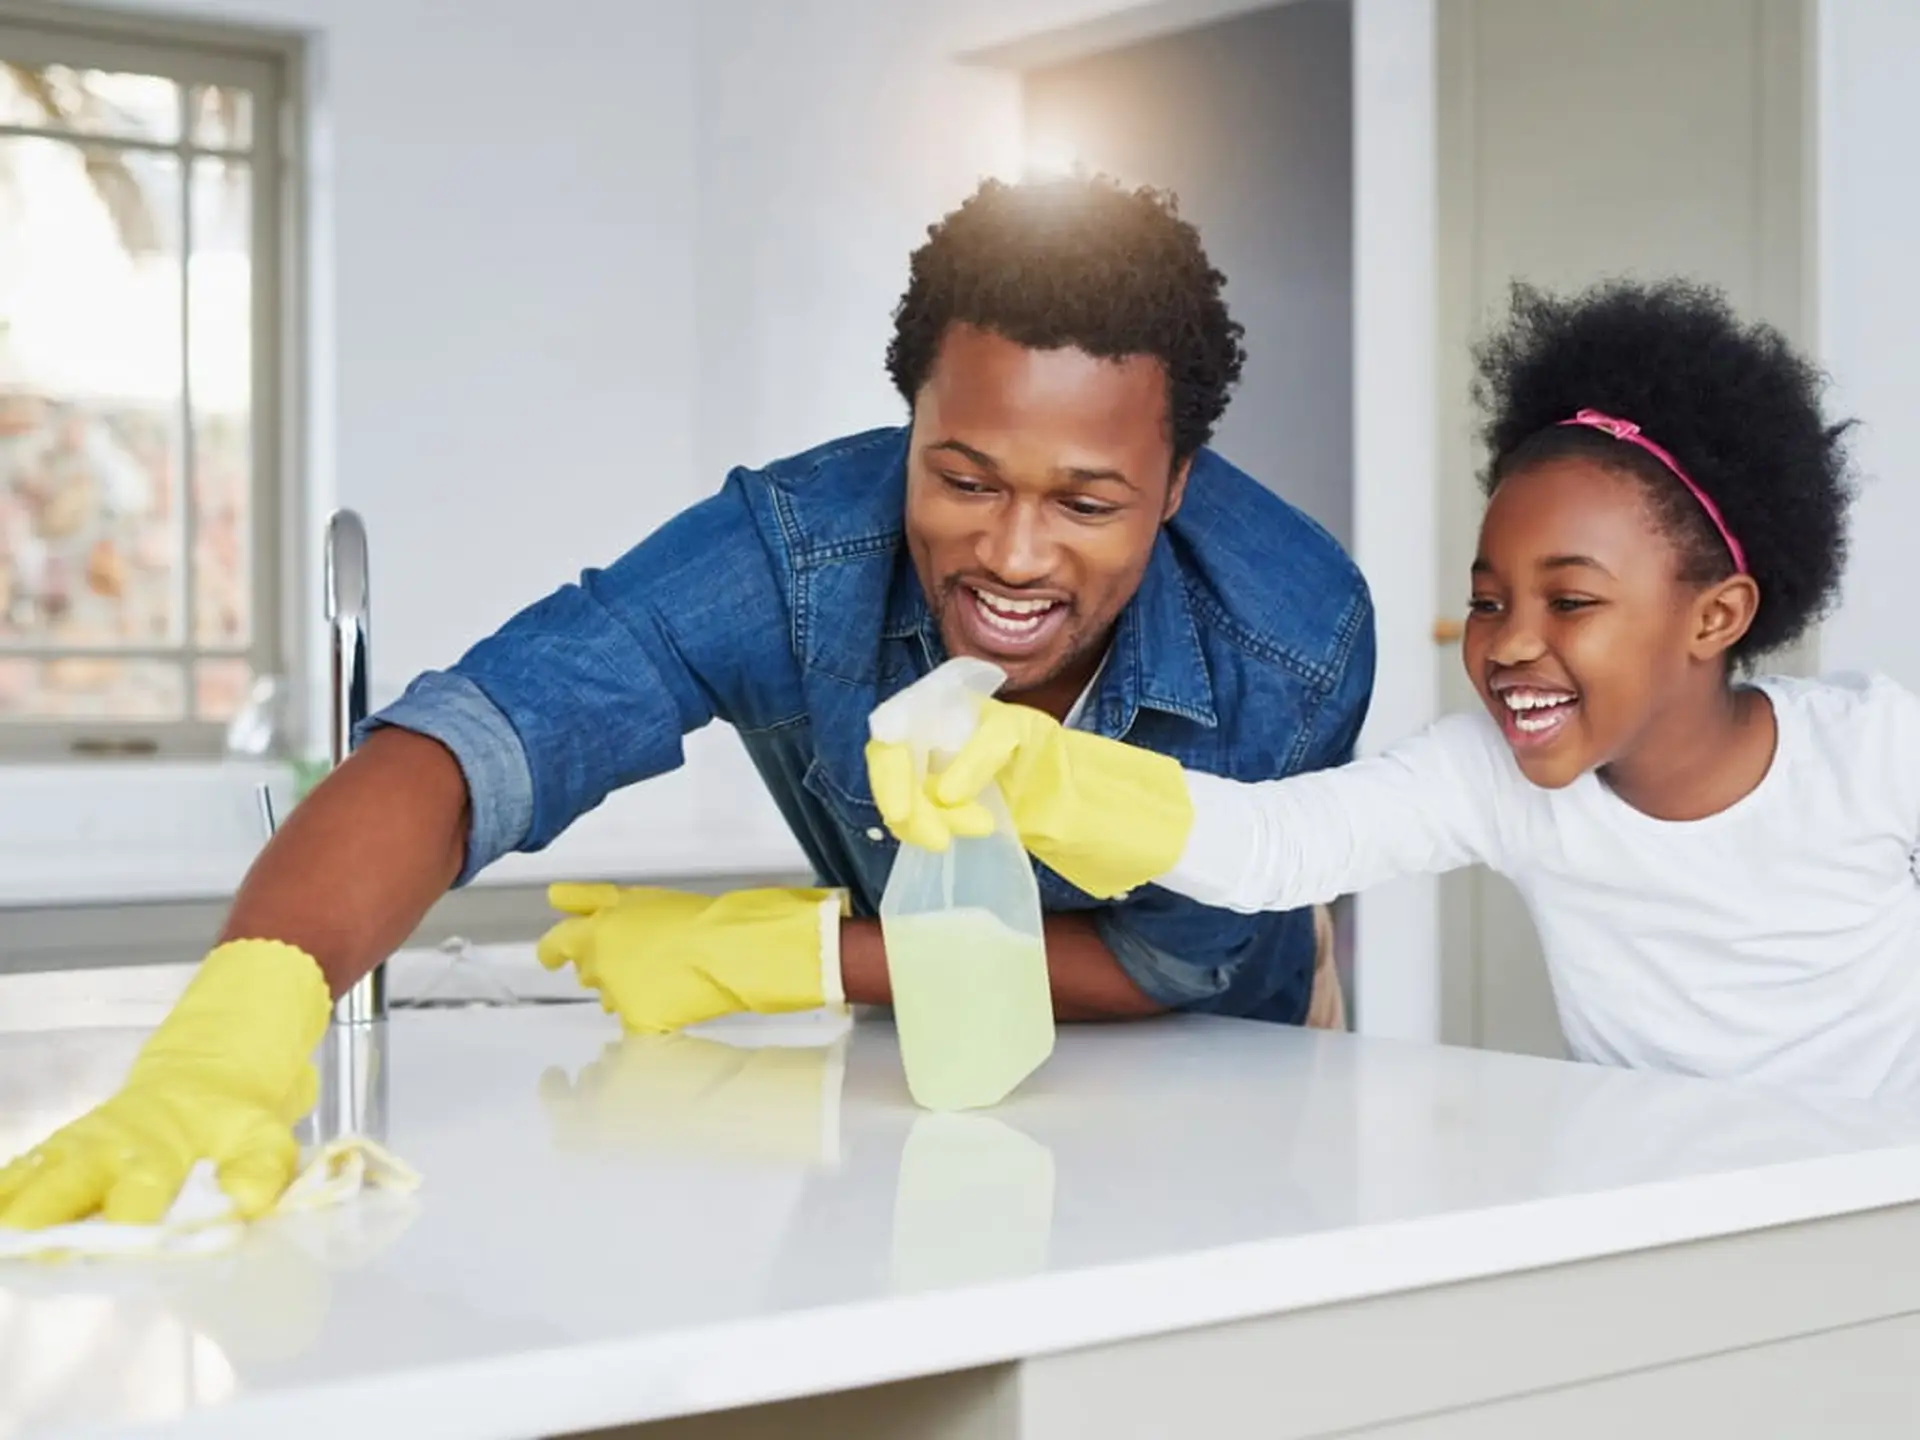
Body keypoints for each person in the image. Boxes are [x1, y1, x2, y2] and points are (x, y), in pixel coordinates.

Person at [0, 173, 1374, 1229]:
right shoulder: (789, 556)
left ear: (1179, 483)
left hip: (1214, 1083)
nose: (1013, 554)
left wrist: (790, 956)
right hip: (930, 1096)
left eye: (1086, 502)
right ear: (907, 430)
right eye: (962, 480)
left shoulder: (1296, 638)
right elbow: (481, 742)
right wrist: (242, 1019)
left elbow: (1167, 966)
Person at [877, 277, 1920, 1104]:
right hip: (1653, 1211)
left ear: (1715, 617)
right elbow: (1277, 845)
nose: (1510, 644)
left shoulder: (1873, 756)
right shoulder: (1496, 778)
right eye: (1487, 601)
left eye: (1570, 602)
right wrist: (1047, 772)